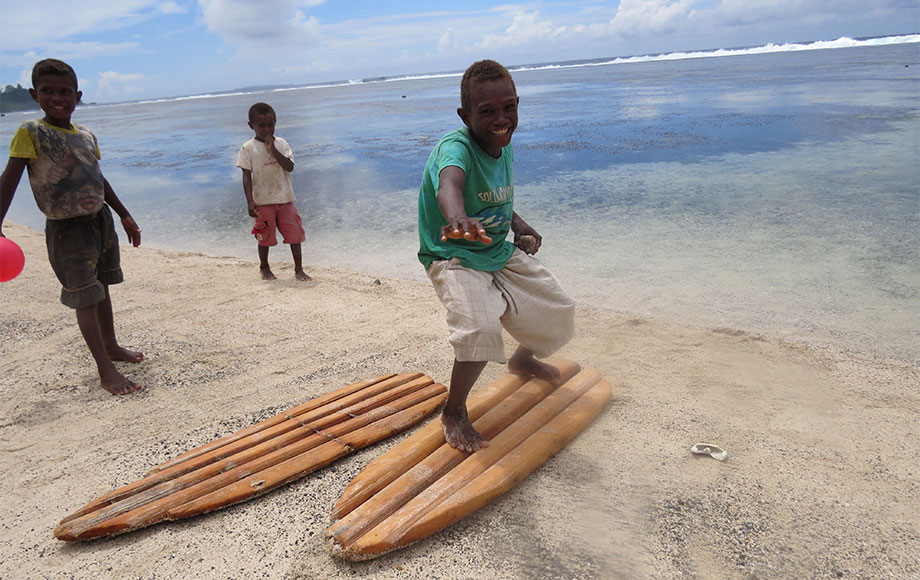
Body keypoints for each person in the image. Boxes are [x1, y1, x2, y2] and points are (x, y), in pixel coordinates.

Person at [418, 60, 575, 453]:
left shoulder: (500, 144)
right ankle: (454, 411)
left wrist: (519, 224)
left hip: (495, 246)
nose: (501, 119)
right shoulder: (455, 149)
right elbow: (450, 184)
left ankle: (522, 359)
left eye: (509, 108)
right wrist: (456, 219)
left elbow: (496, 198)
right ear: (464, 115)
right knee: (480, 331)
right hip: (453, 252)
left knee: (557, 308)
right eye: (487, 111)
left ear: (518, 104)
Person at [0, 59, 144, 395]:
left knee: (102, 286)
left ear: (77, 96)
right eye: (48, 91)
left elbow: (96, 177)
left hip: (100, 221)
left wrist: (124, 214)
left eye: (65, 92)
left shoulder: (86, 135)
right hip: (66, 229)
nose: (58, 97)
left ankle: (111, 346)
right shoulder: (31, 132)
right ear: (35, 94)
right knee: (84, 296)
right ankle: (105, 371)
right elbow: (10, 179)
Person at [236, 103, 310, 281]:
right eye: (261, 125)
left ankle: (298, 269)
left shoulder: (282, 144)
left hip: (285, 199)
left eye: (271, 124)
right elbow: (246, 176)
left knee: (295, 235)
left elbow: (290, 167)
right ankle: (264, 266)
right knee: (265, 237)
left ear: (275, 123)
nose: (266, 129)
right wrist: (250, 201)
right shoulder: (248, 148)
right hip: (262, 201)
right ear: (251, 126)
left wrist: (273, 149)